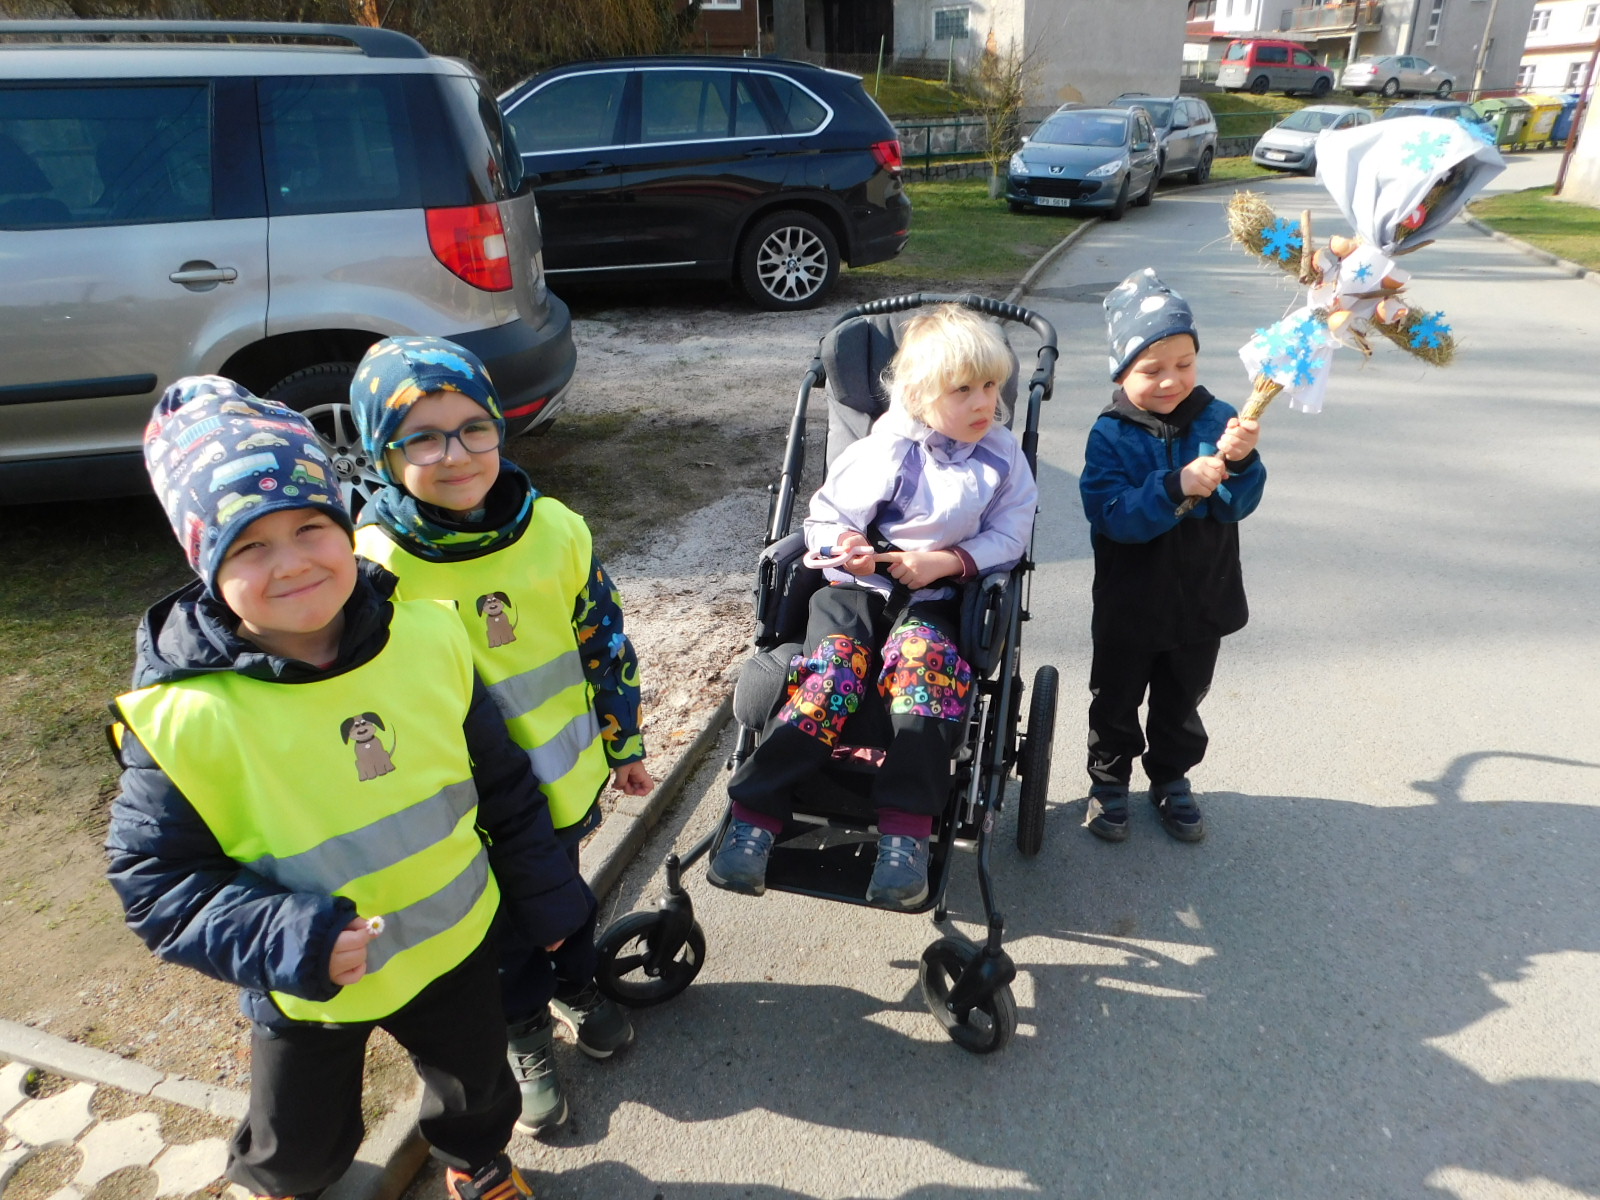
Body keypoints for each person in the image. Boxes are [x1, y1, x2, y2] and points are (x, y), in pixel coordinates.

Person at [105, 378, 594, 1200]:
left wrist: (547, 897)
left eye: (310, 527)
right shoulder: (181, 719)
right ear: (204, 563)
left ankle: (478, 1164)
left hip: (454, 945)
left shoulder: (431, 636)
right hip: (307, 983)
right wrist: (289, 937)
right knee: (295, 1137)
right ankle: (280, 1185)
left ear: (346, 522)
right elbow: (155, 884)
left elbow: (504, 785)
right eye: (249, 546)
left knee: (475, 1090)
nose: (292, 562)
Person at [349, 336, 651, 1136]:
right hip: (463, 807)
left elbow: (604, 641)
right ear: (382, 453)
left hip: (562, 780)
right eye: (422, 438)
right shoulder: (374, 563)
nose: (455, 455)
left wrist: (624, 742)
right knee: (500, 930)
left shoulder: (554, 528)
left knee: (562, 896)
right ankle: (523, 1029)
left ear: (499, 428)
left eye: (473, 428)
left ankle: (575, 983)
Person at [708, 304, 1038, 909]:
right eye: (963, 390)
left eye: (992, 386)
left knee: (925, 678)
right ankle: (754, 817)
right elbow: (825, 519)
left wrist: (948, 561)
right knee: (830, 675)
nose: (984, 403)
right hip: (853, 591)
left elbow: (1011, 536)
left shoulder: (1001, 457)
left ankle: (905, 837)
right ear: (919, 395)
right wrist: (849, 547)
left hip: (937, 597)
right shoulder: (885, 450)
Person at [1079, 268, 1266, 844]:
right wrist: (1175, 485)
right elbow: (1110, 513)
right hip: (1131, 601)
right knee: (1116, 699)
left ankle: (1171, 776)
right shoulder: (1111, 433)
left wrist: (1240, 464)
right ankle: (1109, 781)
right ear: (1121, 371)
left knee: (1182, 699)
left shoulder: (1217, 418)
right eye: (1151, 369)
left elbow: (1237, 507)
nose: (1171, 380)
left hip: (1201, 599)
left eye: (1184, 364)